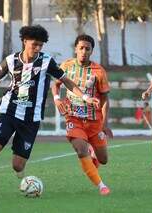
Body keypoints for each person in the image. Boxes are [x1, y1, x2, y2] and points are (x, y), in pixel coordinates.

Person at [0, 25, 99, 199]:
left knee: (18, 165)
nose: (37, 48)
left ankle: (22, 174)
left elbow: (67, 81)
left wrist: (85, 97)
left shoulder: (46, 61)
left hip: (31, 119)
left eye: (40, 45)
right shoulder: (10, 61)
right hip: (9, 111)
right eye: (34, 44)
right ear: (25, 41)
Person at [52, 34, 113, 196]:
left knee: (103, 160)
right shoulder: (66, 65)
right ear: (75, 49)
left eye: (87, 49)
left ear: (92, 51)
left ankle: (93, 153)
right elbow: (56, 85)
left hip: (94, 122)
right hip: (73, 118)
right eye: (81, 48)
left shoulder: (99, 72)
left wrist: (105, 124)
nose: (84, 51)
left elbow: (105, 99)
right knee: (80, 149)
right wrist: (57, 99)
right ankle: (102, 186)